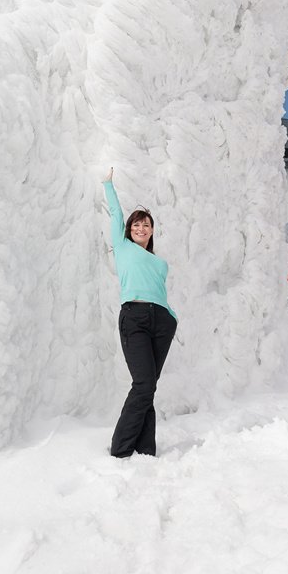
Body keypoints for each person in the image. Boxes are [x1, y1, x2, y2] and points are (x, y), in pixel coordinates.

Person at [102, 167, 177, 457]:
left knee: (149, 387)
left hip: (162, 321)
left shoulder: (160, 263)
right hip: (134, 317)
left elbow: (160, 293)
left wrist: (171, 316)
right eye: (136, 225)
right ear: (129, 229)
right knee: (143, 384)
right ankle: (120, 449)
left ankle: (145, 450)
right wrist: (108, 184)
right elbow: (115, 215)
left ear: (152, 230)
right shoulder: (122, 247)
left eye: (146, 225)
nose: (141, 229)